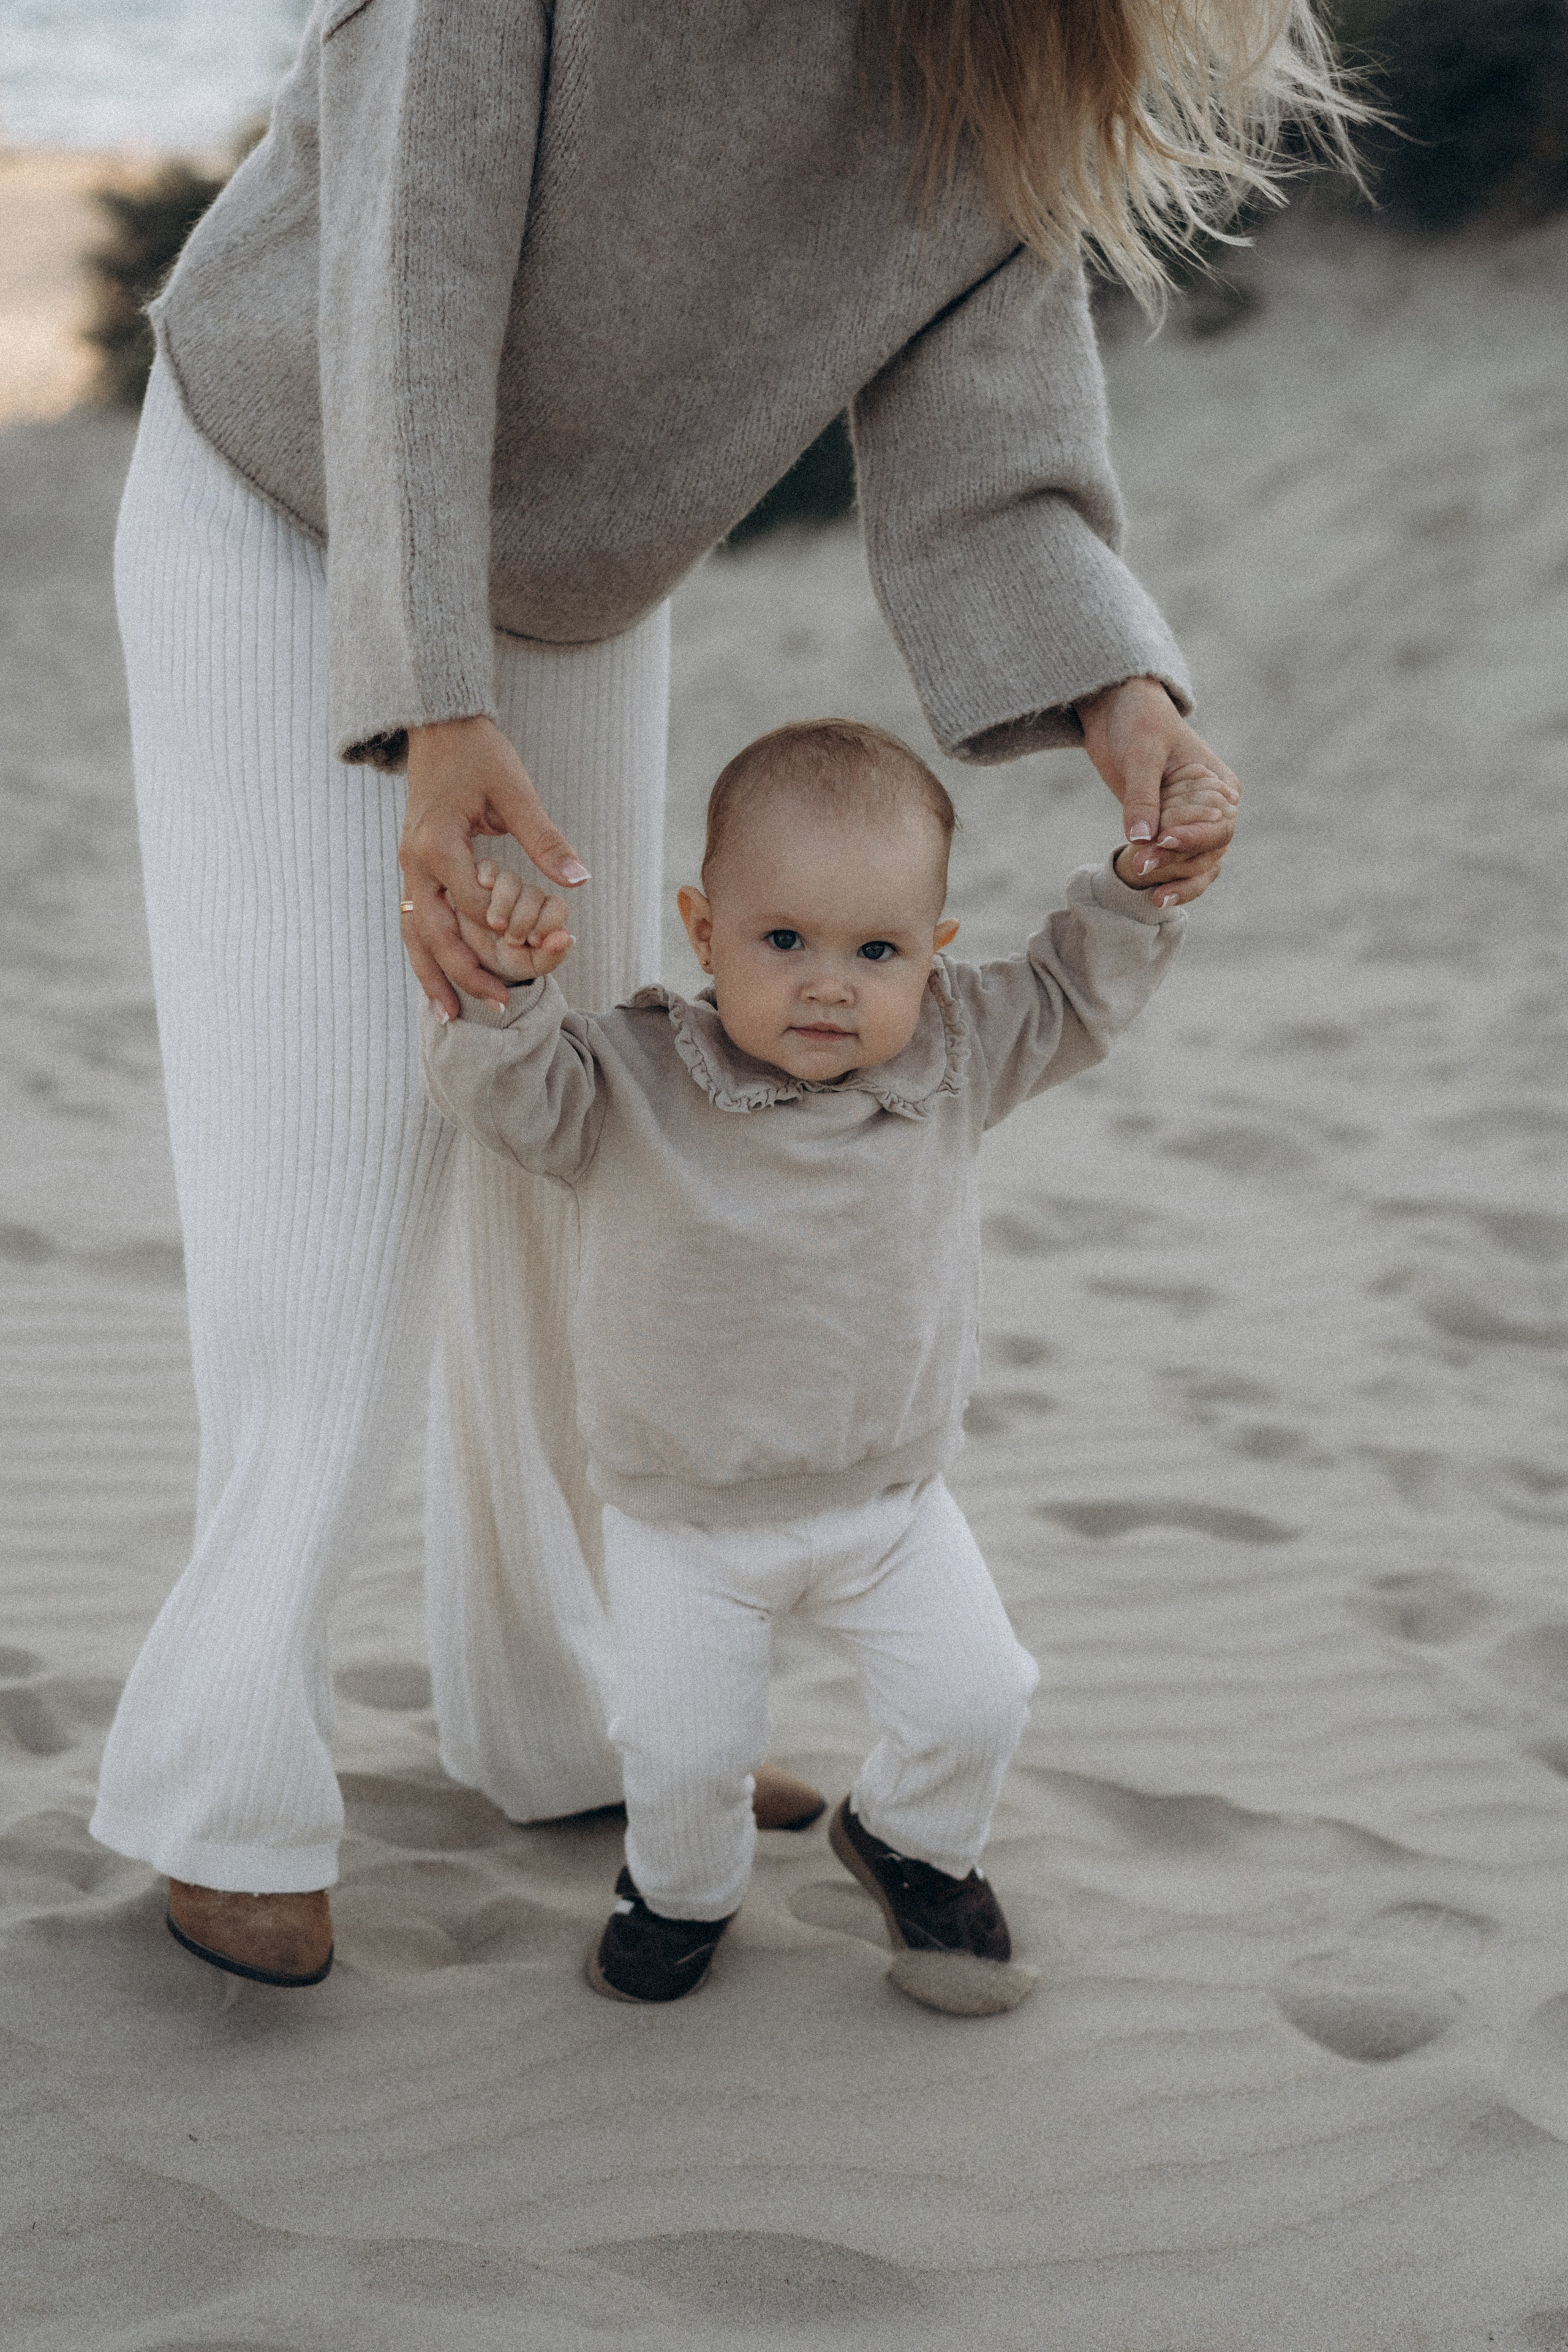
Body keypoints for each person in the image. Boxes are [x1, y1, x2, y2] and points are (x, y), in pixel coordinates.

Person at [90, 0, 1341, 1985]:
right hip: (303, 508)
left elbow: (988, 399)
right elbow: (405, 261)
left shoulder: (1005, 37)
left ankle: (560, 1710)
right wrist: (429, 698)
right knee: (335, 1191)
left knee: (564, 1151)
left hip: (578, 578)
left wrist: (1125, 689)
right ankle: (217, 1772)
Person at [420, 720, 1234, 2010]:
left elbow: (1077, 991)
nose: (825, 985)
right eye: (781, 940)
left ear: (932, 956)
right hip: (683, 1519)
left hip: (890, 1507)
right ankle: (679, 1894)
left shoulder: (954, 1051)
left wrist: (1135, 891)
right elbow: (511, 1101)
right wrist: (511, 996)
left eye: (875, 951)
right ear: (703, 930)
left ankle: (910, 1838)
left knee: (977, 1701)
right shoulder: (633, 1076)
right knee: (683, 1754)